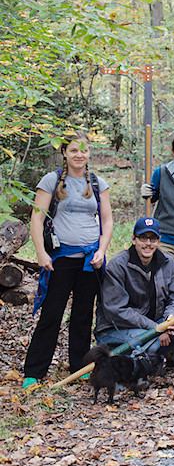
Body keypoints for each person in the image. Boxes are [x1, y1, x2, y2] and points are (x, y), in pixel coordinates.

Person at [23, 131, 113, 389]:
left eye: (83, 150)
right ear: (64, 152)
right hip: (60, 259)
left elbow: (107, 220)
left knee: (83, 316)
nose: (79, 155)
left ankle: (80, 367)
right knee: (51, 313)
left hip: (90, 260)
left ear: (89, 153)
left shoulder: (97, 183)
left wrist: (102, 250)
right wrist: (41, 253)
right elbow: (37, 219)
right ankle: (34, 371)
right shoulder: (51, 180)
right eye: (73, 150)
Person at [95, 218, 174, 361]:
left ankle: (152, 358)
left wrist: (169, 318)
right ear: (134, 239)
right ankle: (133, 361)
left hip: (155, 325)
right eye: (143, 238)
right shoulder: (118, 266)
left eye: (153, 238)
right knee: (153, 341)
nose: (148, 243)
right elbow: (116, 311)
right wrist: (156, 329)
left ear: (159, 240)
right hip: (116, 329)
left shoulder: (168, 263)